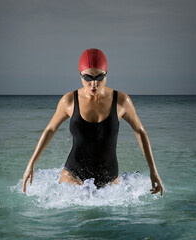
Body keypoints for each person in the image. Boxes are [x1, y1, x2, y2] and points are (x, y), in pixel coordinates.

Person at [22, 48, 164, 196]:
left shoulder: (121, 101)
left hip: (109, 182)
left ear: (107, 75)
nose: (94, 84)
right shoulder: (69, 100)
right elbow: (50, 129)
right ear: (80, 76)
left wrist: (153, 170)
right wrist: (31, 164)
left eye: (99, 77)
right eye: (88, 78)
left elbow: (140, 131)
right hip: (73, 177)